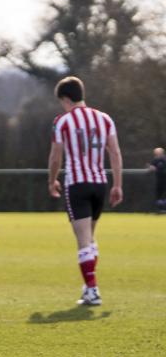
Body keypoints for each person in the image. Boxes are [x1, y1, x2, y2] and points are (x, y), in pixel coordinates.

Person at [48, 76, 123, 306]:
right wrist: (118, 184)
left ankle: (92, 290)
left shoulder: (62, 121)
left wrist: (52, 180)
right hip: (99, 184)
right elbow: (115, 153)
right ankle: (88, 285)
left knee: (83, 240)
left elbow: (56, 156)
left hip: (77, 184)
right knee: (90, 238)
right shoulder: (104, 118)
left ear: (65, 98)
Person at [147, 147, 166, 212]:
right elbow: (152, 167)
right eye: (156, 153)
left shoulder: (164, 159)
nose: (156, 154)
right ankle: (160, 209)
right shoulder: (155, 160)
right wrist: (151, 167)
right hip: (159, 181)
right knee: (159, 195)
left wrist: (157, 169)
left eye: (158, 153)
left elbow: (162, 169)